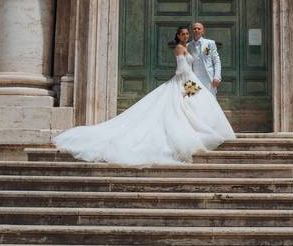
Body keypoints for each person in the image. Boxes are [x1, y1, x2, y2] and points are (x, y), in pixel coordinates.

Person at [53, 26, 235, 165]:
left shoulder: (204, 45)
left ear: (201, 31)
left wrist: (212, 77)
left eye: (191, 32)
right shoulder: (180, 48)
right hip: (186, 80)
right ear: (179, 36)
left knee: (194, 106)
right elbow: (181, 69)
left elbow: (213, 60)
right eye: (185, 33)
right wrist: (187, 82)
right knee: (185, 106)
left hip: (193, 80)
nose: (188, 34)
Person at [188, 22, 221, 95]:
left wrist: (217, 77)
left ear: (203, 31)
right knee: (194, 100)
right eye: (194, 29)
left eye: (199, 29)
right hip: (193, 78)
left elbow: (216, 61)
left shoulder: (210, 43)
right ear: (191, 31)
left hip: (208, 78)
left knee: (210, 101)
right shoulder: (188, 46)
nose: (196, 30)